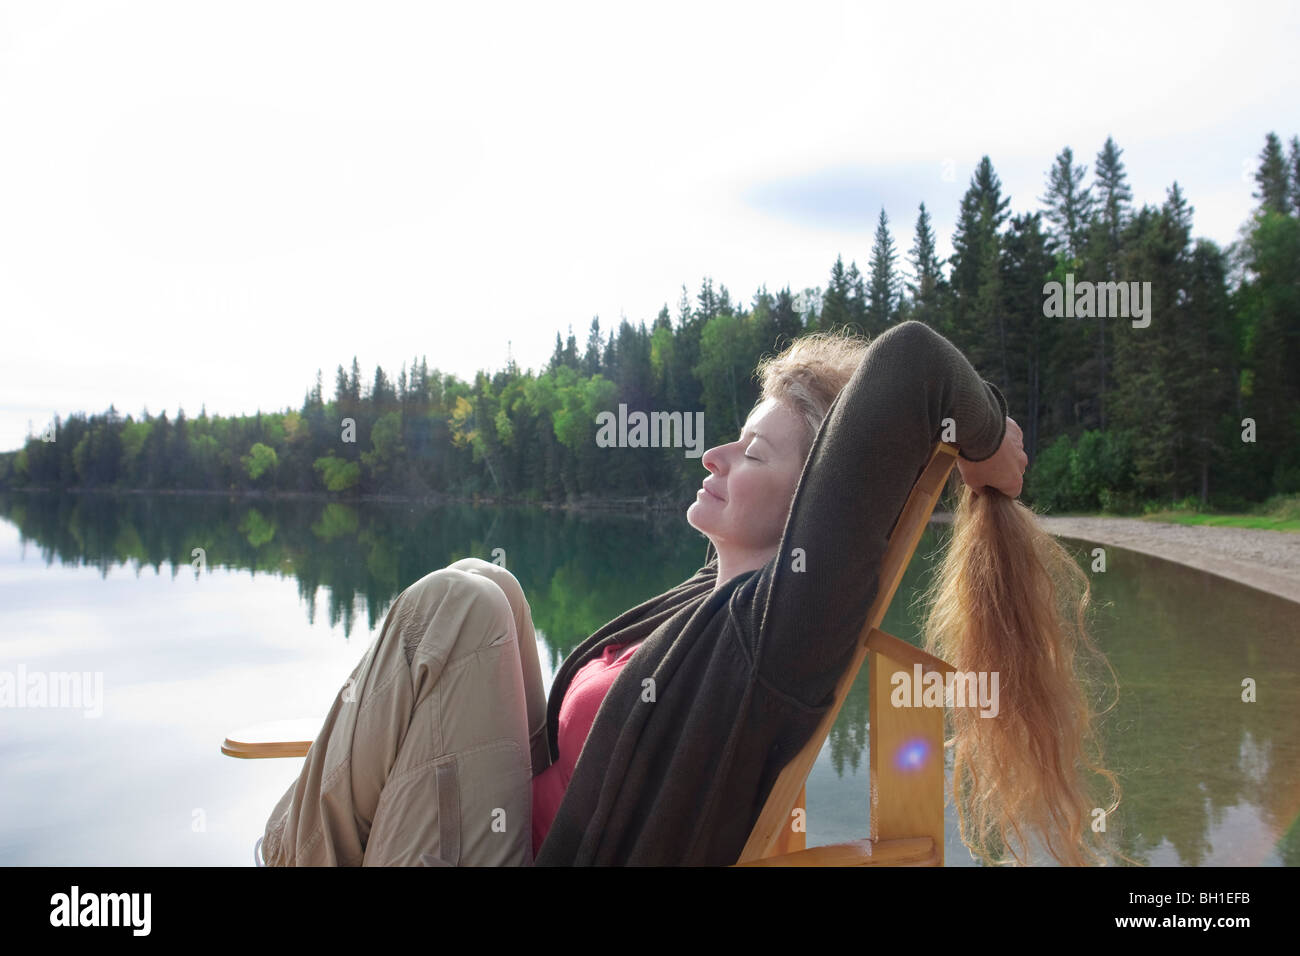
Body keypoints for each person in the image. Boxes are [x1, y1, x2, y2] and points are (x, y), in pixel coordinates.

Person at [262, 319, 1121, 867]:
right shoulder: (705, 604)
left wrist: (988, 450)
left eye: (752, 455)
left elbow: (912, 366)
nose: (715, 457)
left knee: (463, 602)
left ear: (814, 508)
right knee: (493, 589)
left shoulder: (778, 633)